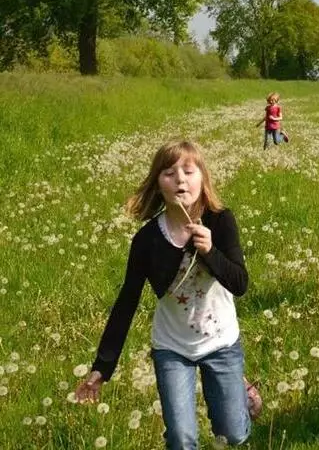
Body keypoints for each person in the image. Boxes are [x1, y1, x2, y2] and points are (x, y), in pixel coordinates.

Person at [75, 139, 262, 449]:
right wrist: (102, 367)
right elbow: (127, 302)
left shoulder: (220, 220)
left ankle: (241, 390)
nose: (180, 179)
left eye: (189, 171)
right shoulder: (147, 240)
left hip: (221, 341)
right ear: (158, 184)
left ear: (203, 179)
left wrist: (211, 251)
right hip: (173, 347)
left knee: (233, 435)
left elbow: (240, 283)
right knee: (181, 438)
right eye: (169, 173)